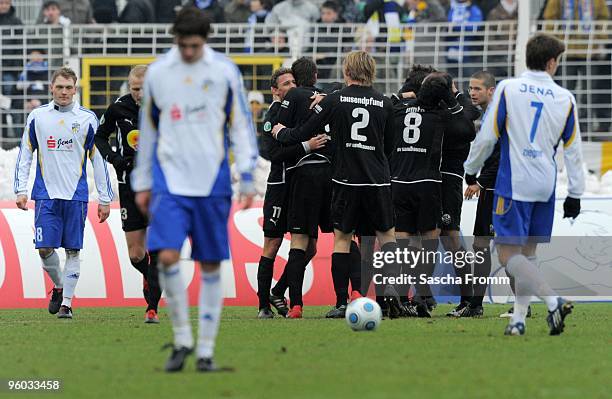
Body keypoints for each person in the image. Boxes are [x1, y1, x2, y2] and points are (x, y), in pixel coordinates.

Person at [132, 7, 257, 372]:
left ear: (205, 41)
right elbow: (149, 131)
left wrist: (246, 172)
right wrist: (142, 181)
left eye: (195, 45)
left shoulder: (223, 72)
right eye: (183, 45)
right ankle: (183, 338)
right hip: (169, 180)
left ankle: (205, 350)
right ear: (175, 40)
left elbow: (240, 127)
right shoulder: (158, 74)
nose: (188, 52)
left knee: (210, 262)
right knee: (167, 256)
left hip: (213, 179)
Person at [464, 33, 584, 336]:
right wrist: (576, 194)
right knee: (528, 255)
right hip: (546, 184)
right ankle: (518, 320)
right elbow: (573, 149)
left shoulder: (508, 89)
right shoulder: (565, 98)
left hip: (514, 183)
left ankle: (552, 299)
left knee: (508, 256)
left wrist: (471, 170)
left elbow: (488, 137)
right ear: (552, 62)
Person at [273, 51, 401, 318]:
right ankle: (391, 299)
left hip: (345, 180)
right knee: (386, 237)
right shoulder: (385, 103)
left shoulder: (335, 99)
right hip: (377, 180)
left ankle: (342, 302)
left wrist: (280, 132)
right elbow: (390, 146)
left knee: (342, 239)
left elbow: (304, 132)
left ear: (347, 71)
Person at [13, 67, 113, 319]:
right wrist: (21, 189)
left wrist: (105, 197)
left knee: (72, 251)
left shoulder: (88, 119)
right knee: (45, 248)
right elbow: (25, 153)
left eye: (69, 87)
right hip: (45, 195)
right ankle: (59, 286)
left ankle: (66, 303)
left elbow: (98, 160)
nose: (64, 92)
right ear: (51, 88)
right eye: (60, 87)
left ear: (75, 89)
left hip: (76, 196)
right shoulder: (38, 117)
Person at [391, 70, 475, 318]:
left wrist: (454, 95)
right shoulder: (442, 112)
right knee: (419, 241)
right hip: (428, 180)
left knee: (450, 238)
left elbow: (471, 118)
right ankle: (419, 296)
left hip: (445, 179)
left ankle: (470, 300)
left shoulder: (446, 109)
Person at [256, 67, 326, 318]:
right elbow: (273, 154)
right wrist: (305, 147)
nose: (291, 87)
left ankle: (279, 289)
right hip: (280, 186)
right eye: (286, 83)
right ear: (275, 90)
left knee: (310, 248)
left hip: (301, 185)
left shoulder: (300, 107)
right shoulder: (273, 114)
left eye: (294, 82)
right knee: (272, 244)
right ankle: (263, 304)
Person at [94, 65, 161, 323]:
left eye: (145, 88)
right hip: (128, 184)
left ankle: (151, 308)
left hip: (158, 187)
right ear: (129, 87)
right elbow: (100, 138)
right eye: (135, 89)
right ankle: (152, 274)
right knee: (136, 255)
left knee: (158, 245)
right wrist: (114, 158)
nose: (140, 94)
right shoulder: (118, 108)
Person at [271, 57, 333, 319]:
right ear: (317, 75)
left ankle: (295, 305)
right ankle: (349, 297)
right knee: (341, 237)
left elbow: (283, 136)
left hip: (302, 177)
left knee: (301, 243)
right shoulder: (332, 96)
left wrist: (282, 133)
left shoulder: (294, 97)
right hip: (332, 175)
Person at [459, 70, 497, 318]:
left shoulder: (498, 115)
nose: (472, 93)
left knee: (503, 248)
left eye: (477, 89)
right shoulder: (489, 114)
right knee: (481, 244)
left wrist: (480, 182)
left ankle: (520, 307)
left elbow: (500, 155)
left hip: (499, 189)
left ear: (490, 91)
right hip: (492, 186)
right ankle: (476, 304)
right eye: (470, 88)